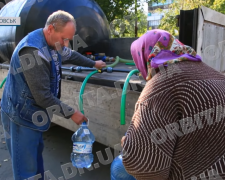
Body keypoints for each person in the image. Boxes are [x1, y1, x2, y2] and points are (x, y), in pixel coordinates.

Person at [0, 10, 106, 180]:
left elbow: (70, 55)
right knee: (26, 171)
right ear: (50, 29)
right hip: (20, 116)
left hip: (33, 114)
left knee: (36, 164)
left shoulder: (54, 43)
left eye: (68, 40)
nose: (65, 44)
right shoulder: (33, 52)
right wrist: (72, 113)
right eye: (64, 38)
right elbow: (42, 96)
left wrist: (93, 63)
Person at [119, 29, 225, 179]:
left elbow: (145, 166)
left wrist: (129, 145)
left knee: (119, 170)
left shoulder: (161, 84)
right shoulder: (213, 73)